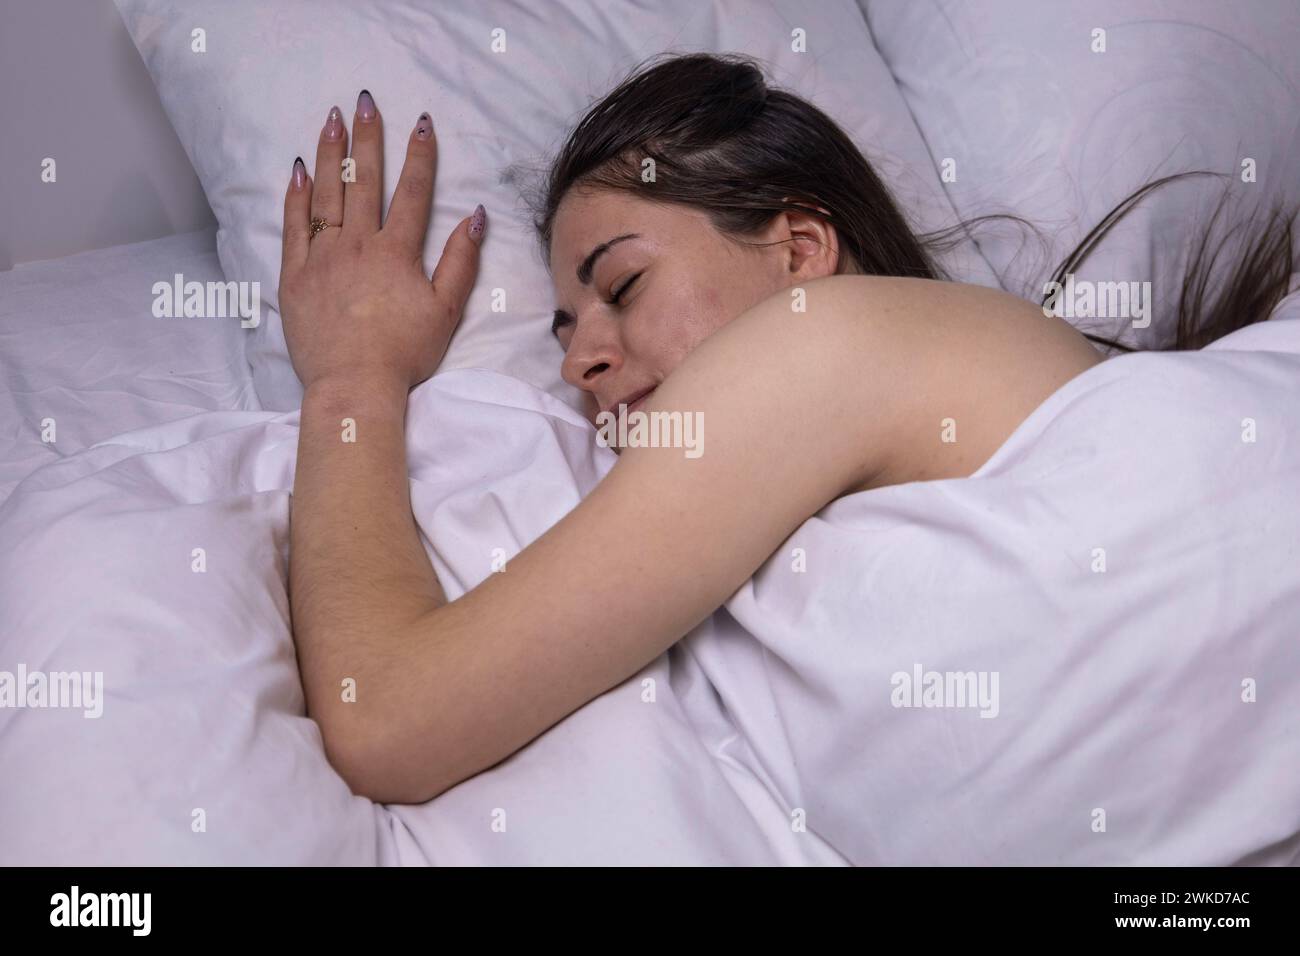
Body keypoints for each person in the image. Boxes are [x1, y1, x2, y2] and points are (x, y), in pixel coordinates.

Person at [278, 55, 1295, 804]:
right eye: (562, 329)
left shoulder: (815, 340)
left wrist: (352, 377)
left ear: (800, 248)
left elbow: (390, 715)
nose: (577, 360)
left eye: (621, 285)